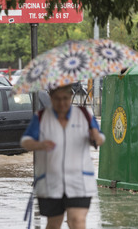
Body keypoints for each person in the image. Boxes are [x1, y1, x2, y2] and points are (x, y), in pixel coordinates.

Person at [21, 84, 105, 229]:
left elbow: (100, 140)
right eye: (57, 99)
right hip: (50, 182)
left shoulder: (84, 114)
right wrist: (39, 145)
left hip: (80, 181)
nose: (61, 103)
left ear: (71, 97)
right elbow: (25, 142)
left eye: (65, 98)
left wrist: (95, 136)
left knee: (77, 221)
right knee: (54, 224)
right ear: (51, 98)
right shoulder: (41, 117)